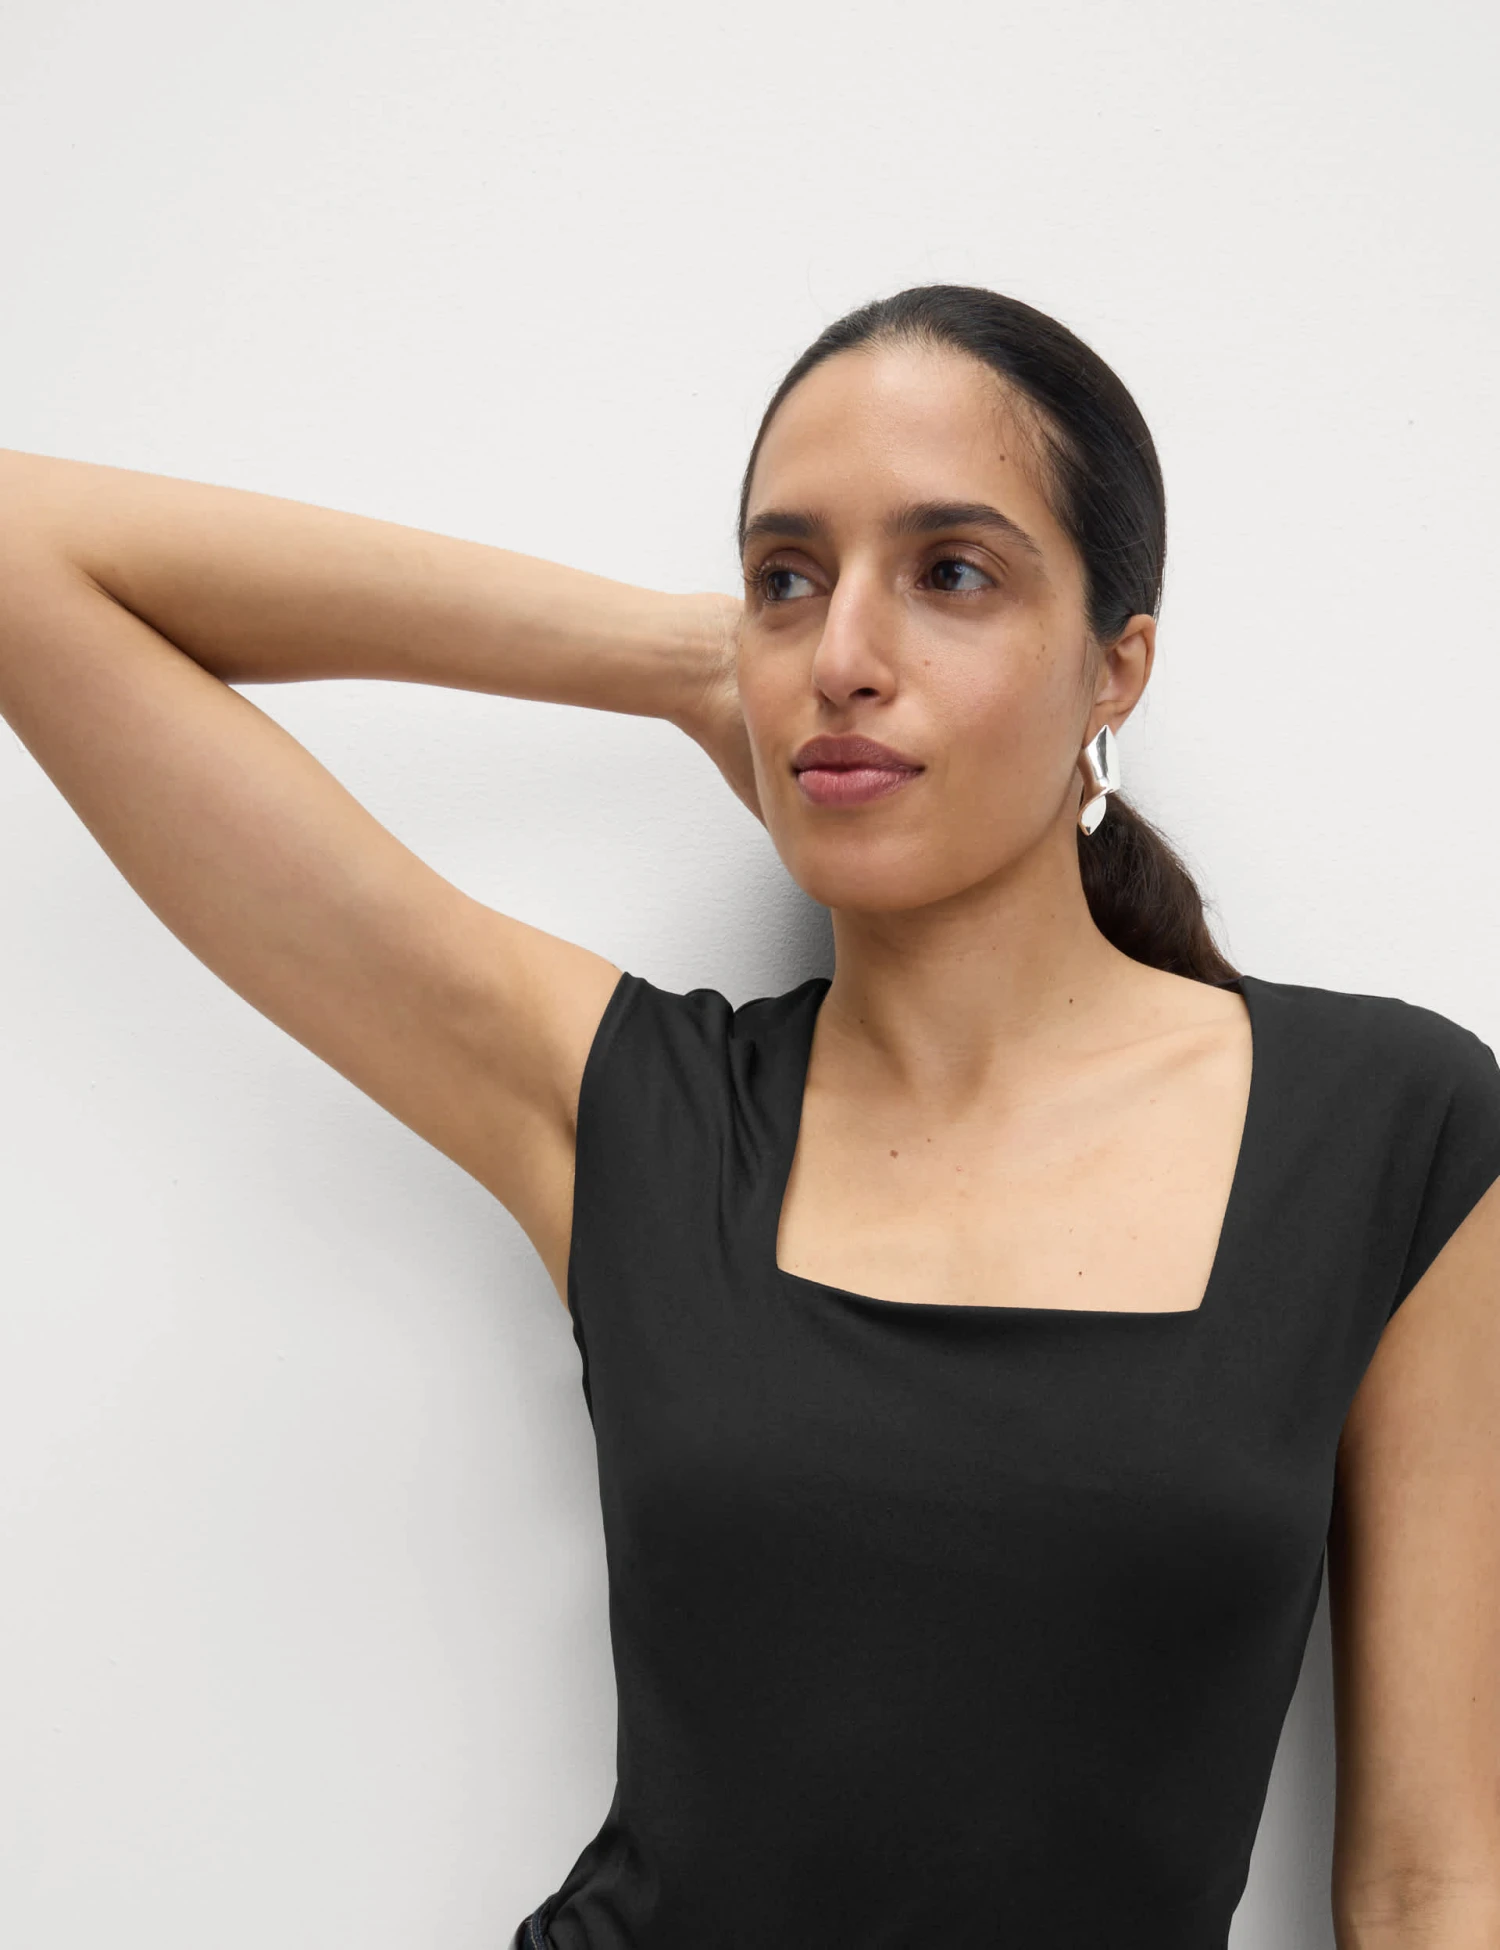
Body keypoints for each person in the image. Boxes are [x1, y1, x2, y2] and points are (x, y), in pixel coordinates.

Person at [2, 284, 1497, 1950]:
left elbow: (1432, 1883)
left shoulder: (1392, 1133)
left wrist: (779, 634)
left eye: (950, 572)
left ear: (1114, 668)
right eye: (788, 577)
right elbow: (23, 552)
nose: (842, 655)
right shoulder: (635, 1115)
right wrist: (681, 658)